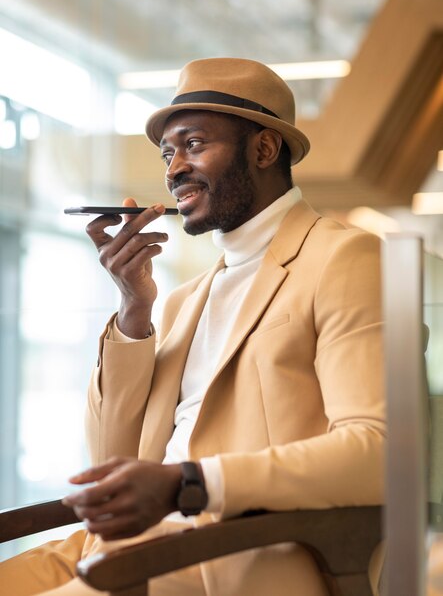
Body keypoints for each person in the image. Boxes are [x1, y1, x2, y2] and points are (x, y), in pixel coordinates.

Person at [0, 58, 385, 596]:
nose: (174, 167)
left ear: (264, 149)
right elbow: (114, 458)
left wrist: (189, 484)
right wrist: (134, 311)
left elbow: (377, 450)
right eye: (168, 153)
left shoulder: (343, 258)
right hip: (120, 546)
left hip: (226, 555)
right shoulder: (183, 301)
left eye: (195, 144)